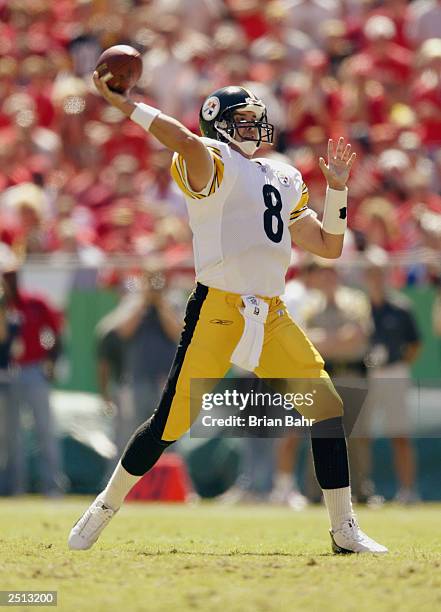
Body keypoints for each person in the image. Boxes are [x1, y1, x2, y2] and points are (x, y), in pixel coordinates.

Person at [68, 72, 387, 554]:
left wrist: (337, 190)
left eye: (257, 118)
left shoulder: (283, 174)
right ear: (217, 125)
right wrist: (129, 104)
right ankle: (103, 507)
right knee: (170, 423)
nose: (256, 126)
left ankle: (344, 529)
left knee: (326, 406)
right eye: (243, 119)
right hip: (217, 307)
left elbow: (329, 245)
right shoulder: (211, 161)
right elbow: (179, 138)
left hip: (272, 311)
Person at [362, 246, 421, 504]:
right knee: (360, 435)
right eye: (370, 272)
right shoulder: (358, 307)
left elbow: (415, 344)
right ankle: (363, 489)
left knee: (400, 434)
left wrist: (397, 364)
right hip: (365, 375)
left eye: (379, 272)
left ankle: (407, 491)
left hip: (394, 372)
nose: (375, 277)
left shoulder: (401, 307)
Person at [2, 264, 65, 496]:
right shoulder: (3, 306)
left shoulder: (35, 303)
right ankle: (15, 487)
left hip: (33, 369)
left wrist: (51, 361)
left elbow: (54, 334)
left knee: (44, 429)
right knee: (11, 435)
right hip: (7, 371)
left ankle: (52, 486)